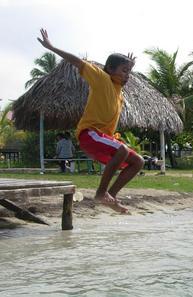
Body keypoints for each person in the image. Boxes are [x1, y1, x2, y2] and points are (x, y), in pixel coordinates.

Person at [37, 28, 144, 213]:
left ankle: (110, 196)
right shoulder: (101, 77)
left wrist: (129, 65)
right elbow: (77, 62)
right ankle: (101, 193)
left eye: (129, 72)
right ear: (110, 69)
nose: (127, 75)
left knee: (139, 162)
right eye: (124, 71)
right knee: (122, 149)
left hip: (103, 139)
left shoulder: (119, 91)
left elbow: (123, 74)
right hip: (89, 134)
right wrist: (52, 47)